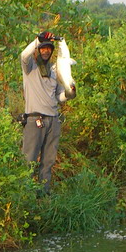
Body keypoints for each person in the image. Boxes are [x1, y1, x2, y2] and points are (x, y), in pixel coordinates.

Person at [20, 31, 75, 195]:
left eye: (48, 49)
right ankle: (26, 197)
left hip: (53, 122)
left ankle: (43, 196)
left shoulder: (54, 72)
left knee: (48, 161)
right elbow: (24, 54)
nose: (46, 51)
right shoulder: (29, 67)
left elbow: (59, 96)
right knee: (29, 160)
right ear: (38, 50)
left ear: (51, 51)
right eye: (42, 48)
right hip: (34, 120)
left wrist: (69, 94)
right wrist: (38, 39)